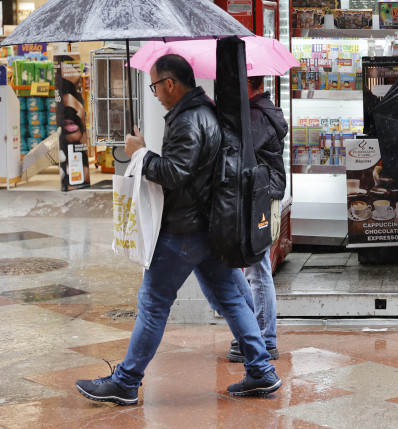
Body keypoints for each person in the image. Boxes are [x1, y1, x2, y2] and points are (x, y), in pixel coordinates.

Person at [75, 54, 281, 406]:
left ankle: (126, 382)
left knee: (153, 304)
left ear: (170, 83)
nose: (154, 93)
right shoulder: (205, 111)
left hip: (184, 230)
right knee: (232, 298)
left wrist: (141, 155)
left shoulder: (189, 119)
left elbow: (174, 173)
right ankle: (261, 371)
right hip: (207, 226)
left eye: (155, 85)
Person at [217, 75, 288, 364]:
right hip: (260, 194)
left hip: (258, 196)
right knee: (252, 267)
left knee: (257, 269)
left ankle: (263, 338)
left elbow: (241, 154)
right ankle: (255, 334)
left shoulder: (257, 115)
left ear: (251, 85)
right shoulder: (261, 111)